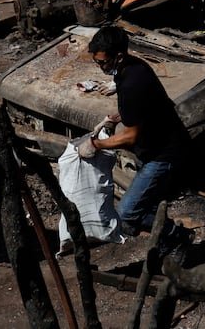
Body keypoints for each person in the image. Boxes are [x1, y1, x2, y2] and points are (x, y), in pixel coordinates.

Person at [75, 26, 192, 249]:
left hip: (162, 154)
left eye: (103, 62)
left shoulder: (132, 82)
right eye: (97, 62)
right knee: (146, 205)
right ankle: (167, 246)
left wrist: (95, 144)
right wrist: (117, 118)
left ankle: (177, 238)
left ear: (118, 56)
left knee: (128, 213)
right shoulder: (130, 69)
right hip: (151, 148)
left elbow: (130, 137)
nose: (100, 68)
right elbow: (147, 107)